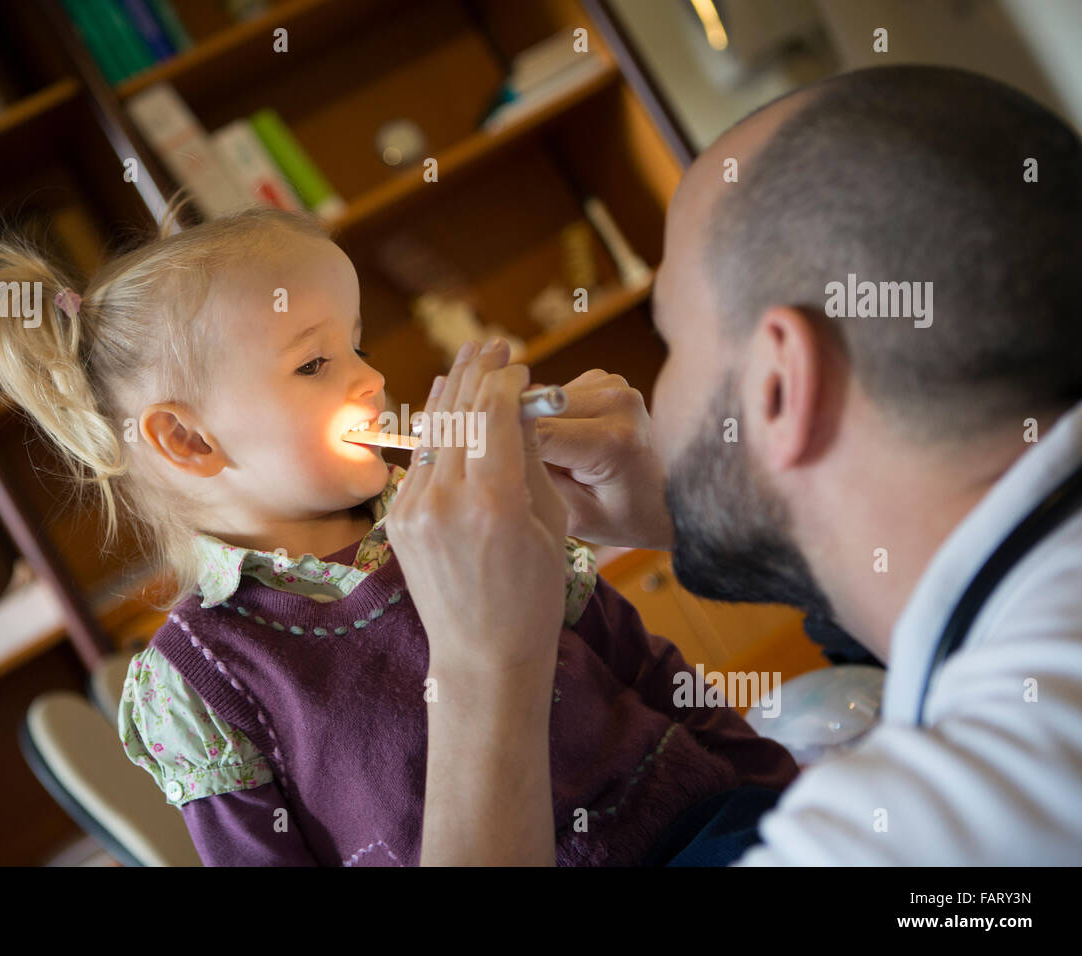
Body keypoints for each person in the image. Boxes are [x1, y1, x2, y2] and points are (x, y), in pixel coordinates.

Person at [0, 199, 797, 866]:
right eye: (315, 363)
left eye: (356, 346)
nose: (371, 378)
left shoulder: (461, 512)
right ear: (188, 439)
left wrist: (787, 790)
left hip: (725, 828)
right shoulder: (201, 679)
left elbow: (648, 669)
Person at [386, 64, 1082, 865]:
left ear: (779, 383)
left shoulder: (944, 825)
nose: (653, 394)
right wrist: (700, 510)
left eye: (672, 344)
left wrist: (481, 664)